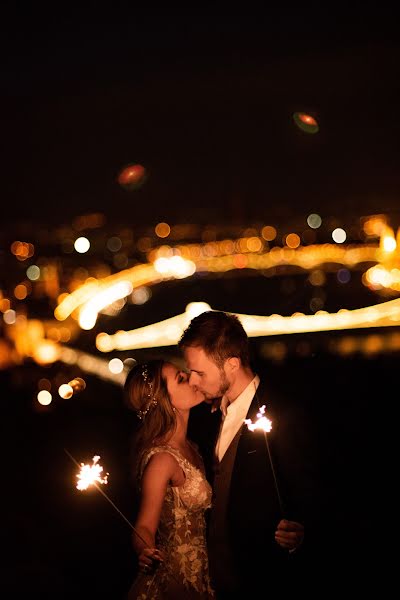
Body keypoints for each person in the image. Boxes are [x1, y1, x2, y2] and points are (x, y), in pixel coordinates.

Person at [179, 310, 322, 598]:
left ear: (232, 364)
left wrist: (302, 532)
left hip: (263, 579)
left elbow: (311, 490)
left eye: (200, 371)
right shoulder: (205, 418)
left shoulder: (283, 414)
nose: (193, 381)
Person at [123, 359, 215, 599]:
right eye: (182, 379)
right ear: (164, 401)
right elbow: (143, 526)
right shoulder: (162, 460)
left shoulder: (192, 447)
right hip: (174, 581)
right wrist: (145, 551)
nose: (192, 379)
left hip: (203, 578)